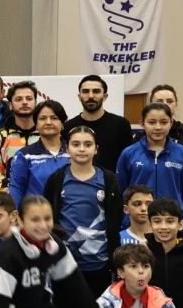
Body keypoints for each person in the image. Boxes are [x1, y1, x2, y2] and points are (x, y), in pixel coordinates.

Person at [43, 126, 123, 294]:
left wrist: (114, 262)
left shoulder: (108, 180)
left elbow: (116, 220)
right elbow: (48, 219)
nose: (81, 149)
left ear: (96, 149)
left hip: (99, 263)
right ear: (67, 148)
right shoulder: (56, 180)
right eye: (76, 144)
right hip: (65, 264)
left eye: (87, 144)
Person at [118, 103, 183, 232]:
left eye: (164, 122)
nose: (158, 127)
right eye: (151, 122)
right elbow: (122, 190)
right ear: (142, 123)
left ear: (171, 122)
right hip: (137, 224)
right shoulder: (129, 153)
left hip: (170, 224)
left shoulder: (182, 153)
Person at [67, 75, 134, 173]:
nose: (90, 96)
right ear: (79, 96)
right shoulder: (68, 127)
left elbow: (128, 160)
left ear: (105, 96)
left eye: (96, 91)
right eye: (85, 91)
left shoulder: (121, 125)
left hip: (113, 182)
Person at [0, 80, 39, 193]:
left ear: (36, 103)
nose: (24, 102)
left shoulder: (46, 135)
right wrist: (14, 194)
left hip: (43, 199)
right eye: (19, 99)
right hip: (10, 199)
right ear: (10, 105)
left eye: (29, 99)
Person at [8, 100, 69, 202]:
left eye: (54, 118)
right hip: (36, 211)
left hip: (70, 211)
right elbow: (16, 190)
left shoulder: (74, 152)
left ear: (63, 123)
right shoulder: (24, 155)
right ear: (36, 124)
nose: (48, 122)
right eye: (42, 118)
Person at [149, 85, 183, 184]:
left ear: (176, 105)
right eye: (159, 101)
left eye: (170, 101)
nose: (165, 105)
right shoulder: (140, 137)